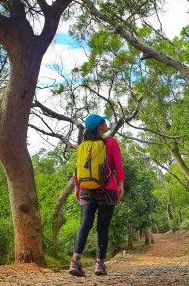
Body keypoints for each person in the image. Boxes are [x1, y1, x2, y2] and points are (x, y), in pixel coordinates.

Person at [69, 114, 125, 277]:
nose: (106, 124)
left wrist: (77, 186)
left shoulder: (83, 146)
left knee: (85, 222)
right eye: (104, 122)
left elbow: (78, 168)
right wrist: (121, 184)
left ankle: (75, 261)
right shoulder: (111, 142)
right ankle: (100, 265)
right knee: (103, 226)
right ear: (99, 127)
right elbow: (118, 164)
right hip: (108, 188)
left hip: (86, 187)